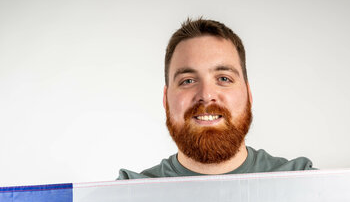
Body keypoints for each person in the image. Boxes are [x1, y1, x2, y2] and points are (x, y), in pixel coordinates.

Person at [118, 18, 313, 180]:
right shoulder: (123, 198)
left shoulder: (305, 182)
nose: (206, 95)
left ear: (248, 94)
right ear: (165, 99)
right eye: (188, 81)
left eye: (223, 78)